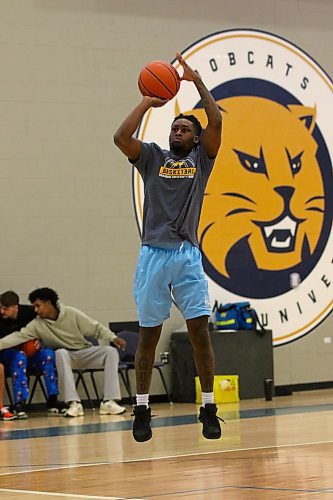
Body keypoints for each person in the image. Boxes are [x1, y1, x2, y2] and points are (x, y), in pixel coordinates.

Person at [114, 52, 223, 442]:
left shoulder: (202, 159)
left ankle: (208, 405)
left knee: (200, 335)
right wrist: (148, 99)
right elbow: (120, 138)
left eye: (184, 129)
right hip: (153, 255)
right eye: (174, 128)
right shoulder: (152, 157)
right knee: (148, 336)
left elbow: (217, 120)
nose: (177, 132)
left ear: (194, 139)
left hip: (188, 255)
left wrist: (195, 82)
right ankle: (142, 408)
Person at [0, 288, 127, 417]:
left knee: (110, 351)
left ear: (48, 303)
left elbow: (96, 328)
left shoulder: (71, 313)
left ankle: (109, 402)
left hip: (84, 352)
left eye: (38, 306)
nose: (36, 310)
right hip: (66, 357)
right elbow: (18, 336)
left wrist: (113, 338)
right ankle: (74, 404)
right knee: (60, 353)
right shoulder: (36, 324)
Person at [0, 290, 59, 418]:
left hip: (31, 355)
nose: (2, 312)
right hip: (9, 356)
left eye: (5, 309)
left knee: (48, 354)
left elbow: (47, 327)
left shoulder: (31, 313)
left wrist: (40, 341)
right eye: (0, 308)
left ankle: (53, 400)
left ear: (15, 307)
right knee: (19, 356)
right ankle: (19, 403)